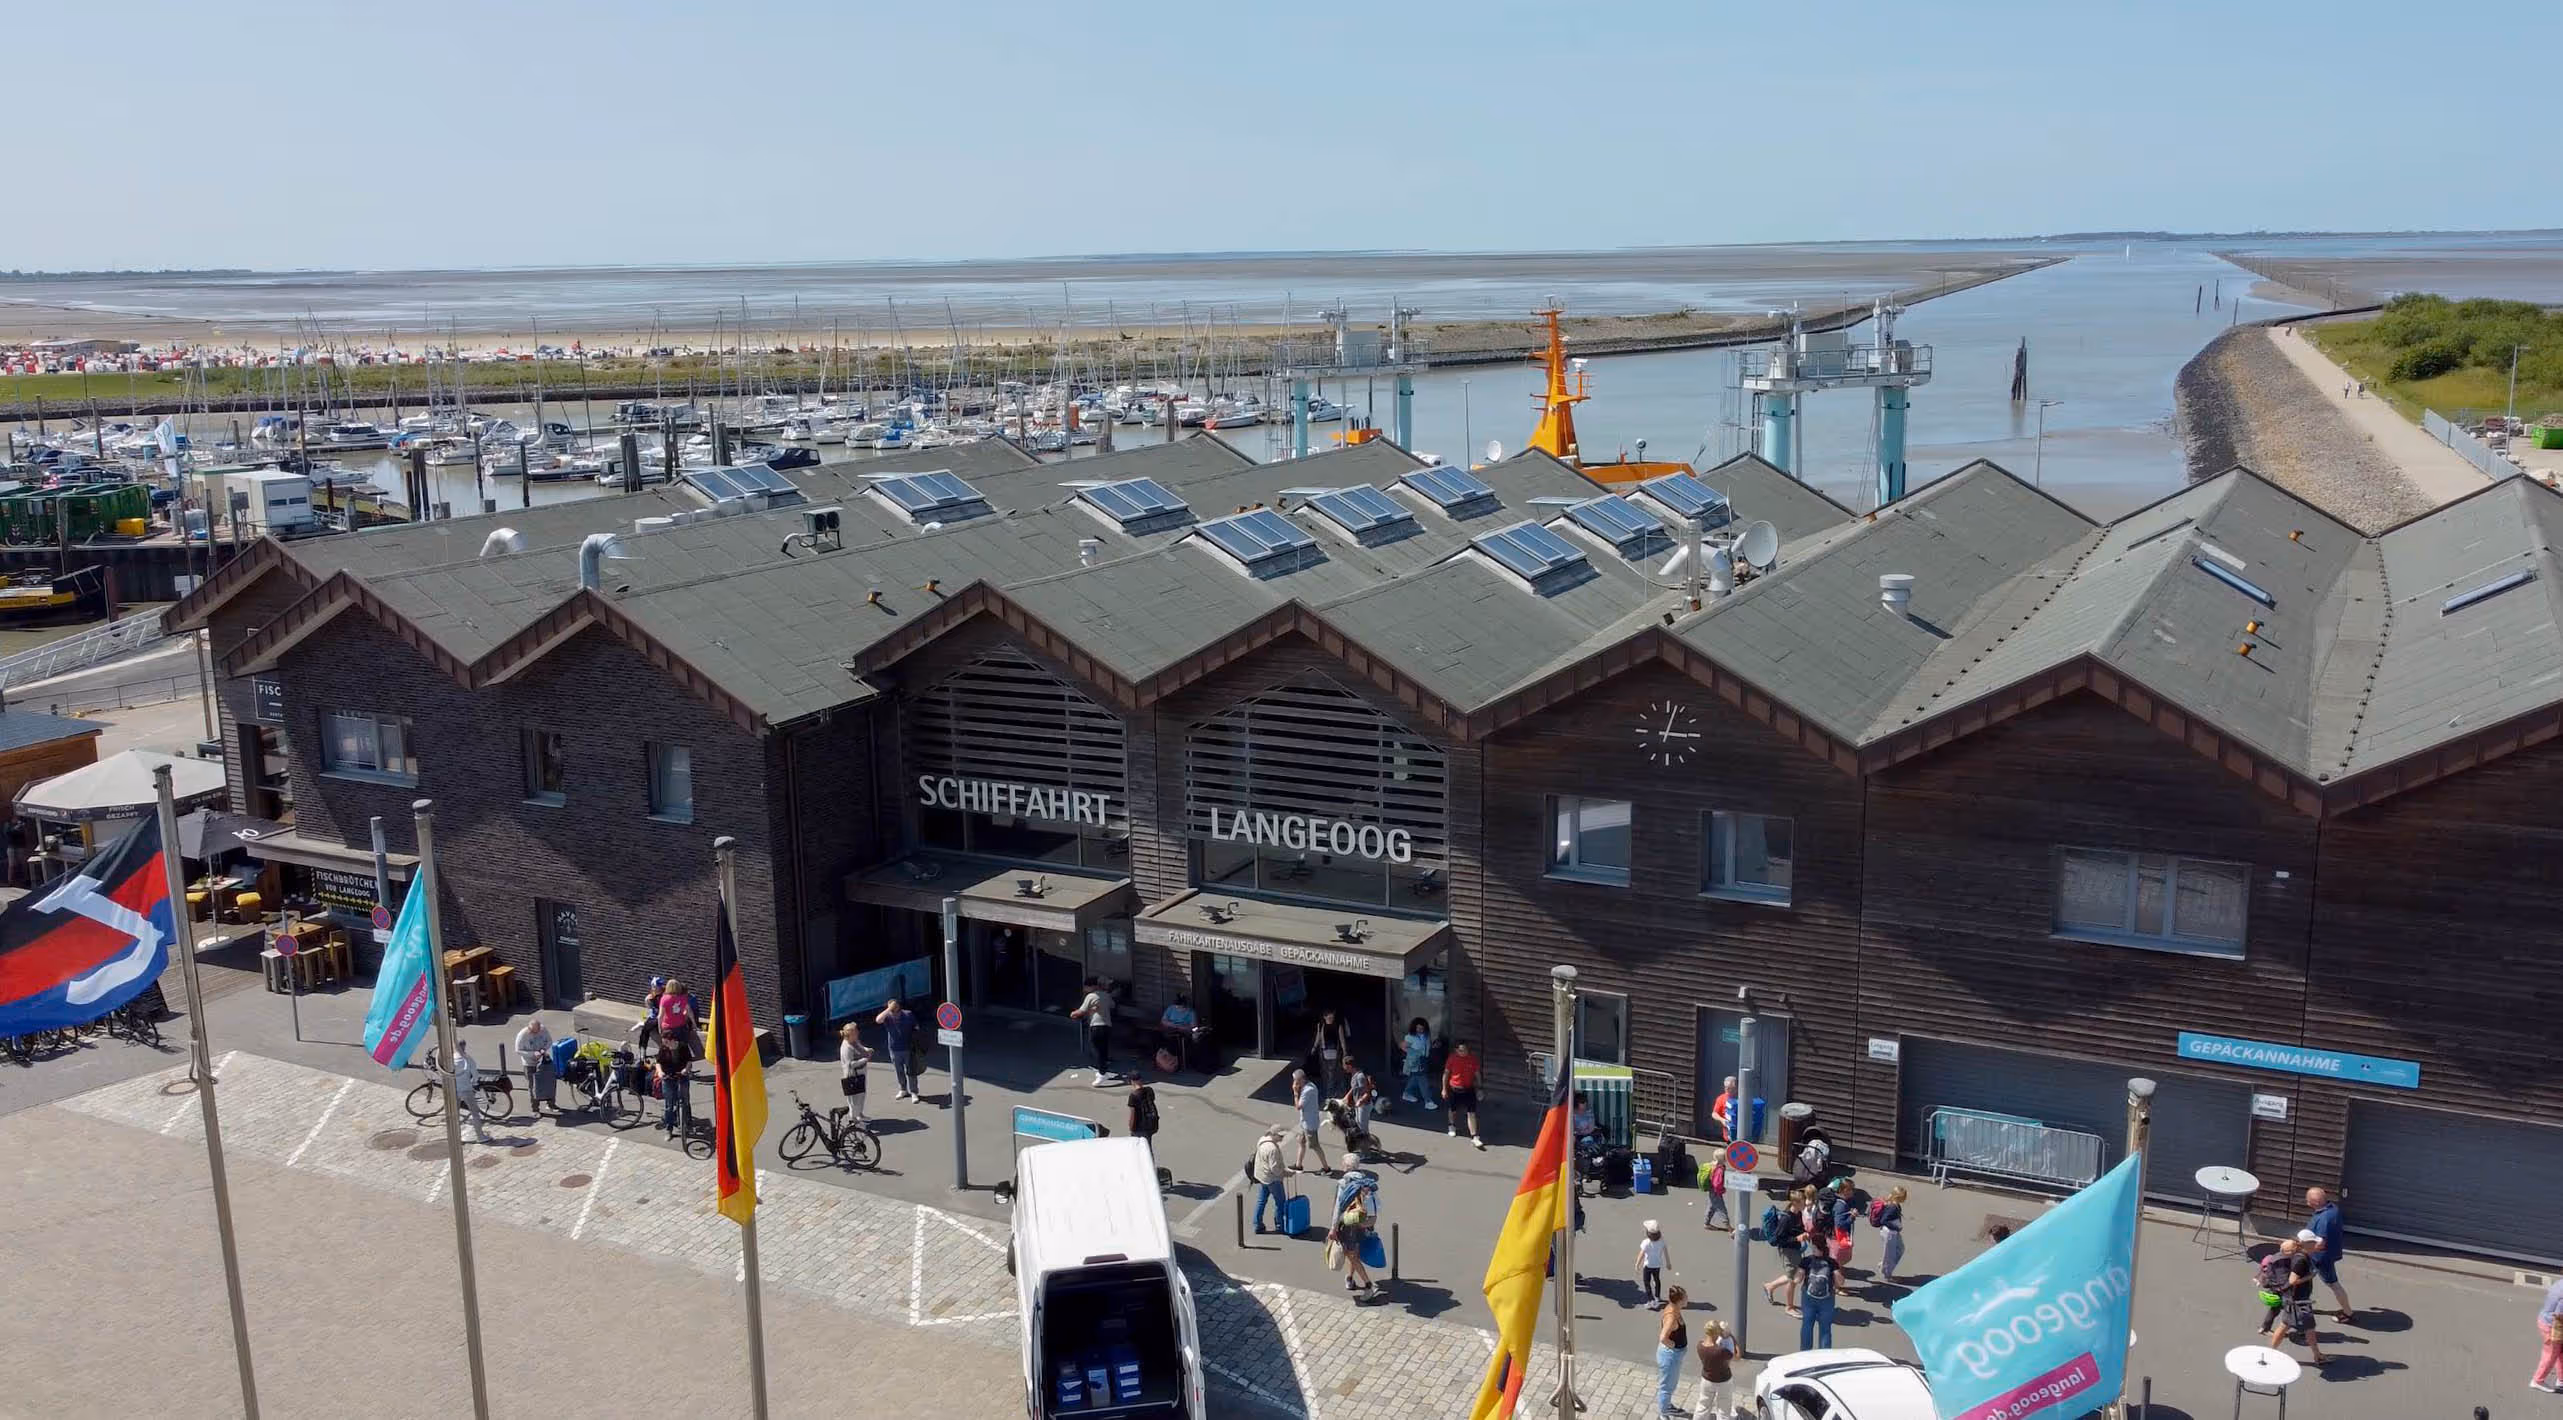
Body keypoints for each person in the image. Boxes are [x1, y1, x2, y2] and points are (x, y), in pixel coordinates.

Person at [2266, 1230, 2332, 1365]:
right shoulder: (2301, 1259)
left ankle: (2317, 1355)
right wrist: (2310, 1276)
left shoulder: (2302, 1255)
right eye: (2313, 1241)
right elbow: (2292, 1280)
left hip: (2296, 1299)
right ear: (2305, 1243)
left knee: (2293, 1326)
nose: (2316, 1243)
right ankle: (2317, 1356)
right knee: (2304, 1327)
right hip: (2298, 1301)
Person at [1332, 1156, 1380, 1300]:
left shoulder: (1343, 1183)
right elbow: (1377, 1204)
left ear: (1346, 1166)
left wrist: (1333, 1228)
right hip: (1364, 1222)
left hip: (1348, 1224)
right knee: (1354, 1252)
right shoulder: (1367, 1182)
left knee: (1350, 1253)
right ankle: (1350, 1278)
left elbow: (1337, 1209)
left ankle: (1368, 1286)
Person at [2304, 1187, 2352, 1319]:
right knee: (2305, 1279)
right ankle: (2304, 1303)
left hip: (2320, 1258)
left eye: (2308, 1201)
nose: (2307, 1203)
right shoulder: (2332, 1209)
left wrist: (2302, 1249)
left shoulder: (2324, 1219)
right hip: (2326, 1255)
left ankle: (2348, 1313)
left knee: (2333, 1283)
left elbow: (2320, 1244)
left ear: (2316, 1202)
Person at [1760, 1188, 1808, 1313]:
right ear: (1796, 1203)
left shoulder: (1798, 1214)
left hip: (1795, 1249)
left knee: (1794, 1275)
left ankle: (1770, 1286)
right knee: (1792, 1279)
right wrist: (1796, 1238)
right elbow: (1778, 1240)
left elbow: (1797, 1229)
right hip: (1788, 1251)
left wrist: (1803, 1234)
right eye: (1804, 1201)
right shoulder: (1786, 1219)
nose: (1806, 1203)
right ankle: (1789, 1307)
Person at [1070, 976, 1117, 1085]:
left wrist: (1072, 1014)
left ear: (1093, 986)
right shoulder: (1106, 995)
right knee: (1103, 1049)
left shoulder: (1091, 996)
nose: (1085, 989)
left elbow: (1081, 1011)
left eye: (1086, 987)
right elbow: (1112, 1006)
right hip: (1107, 1026)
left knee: (1097, 1049)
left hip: (1096, 1026)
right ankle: (1103, 1070)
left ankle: (1102, 1073)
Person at [1797, 1232, 1840, 1350]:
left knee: (1807, 1325)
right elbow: (1840, 1282)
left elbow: (1797, 1279)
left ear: (1813, 1246)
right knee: (1825, 1329)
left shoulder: (1806, 1261)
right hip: (1827, 1299)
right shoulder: (1832, 1262)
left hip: (1808, 1297)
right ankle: (1824, 1356)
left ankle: (1805, 1353)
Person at [1653, 1284, 1690, 1419]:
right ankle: (1664, 1412)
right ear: (1680, 1300)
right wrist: (1673, 1345)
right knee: (1666, 1387)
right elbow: (1663, 1337)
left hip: (1673, 1355)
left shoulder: (1673, 1308)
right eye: (1686, 1297)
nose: (1688, 1299)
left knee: (1670, 1384)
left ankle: (1666, 1407)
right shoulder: (1672, 1317)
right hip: (1670, 1356)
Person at [875, 998, 921, 1101]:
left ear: (899, 1006)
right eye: (891, 1008)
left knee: (911, 1071)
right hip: (894, 1049)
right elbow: (878, 1020)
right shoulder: (887, 1017)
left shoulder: (908, 1014)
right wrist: (888, 1009)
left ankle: (914, 1092)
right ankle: (903, 1089)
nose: (893, 1010)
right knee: (899, 1071)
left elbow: (916, 1027)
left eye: (894, 1007)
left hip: (909, 1048)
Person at [1694, 1317, 1738, 1420]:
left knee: (1703, 1405)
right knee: (1724, 1408)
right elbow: (1736, 1356)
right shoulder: (1721, 1351)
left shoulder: (1699, 1345)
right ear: (1716, 1334)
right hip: (1723, 1380)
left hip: (1707, 1379)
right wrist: (1733, 1339)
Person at [1444, 1040, 1485, 1149]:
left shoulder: (1472, 1059)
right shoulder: (1452, 1058)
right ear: (1456, 1050)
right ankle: (1451, 1125)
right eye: (1461, 1050)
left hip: (1469, 1089)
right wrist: (1444, 1089)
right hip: (1454, 1088)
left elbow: (1477, 1073)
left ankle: (1474, 1136)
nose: (1464, 1052)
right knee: (1453, 1110)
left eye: (1465, 1050)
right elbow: (1446, 1073)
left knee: (1471, 1113)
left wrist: (1480, 1087)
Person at [451, 1038, 493, 1143]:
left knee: (454, 1114)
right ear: (464, 1046)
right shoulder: (468, 1059)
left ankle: (455, 1137)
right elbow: (475, 1076)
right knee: (475, 1113)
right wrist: (474, 1084)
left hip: (453, 1090)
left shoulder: (450, 1059)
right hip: (466, 1088)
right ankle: (480, 1136)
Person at [1250, 1126, 1290, 1234]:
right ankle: (1280, 1225)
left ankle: (1257, 1224)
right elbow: (1275, 1169)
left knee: (1261, 1201)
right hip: (1273, 1179)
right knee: (1280, 1202)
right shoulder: (1272, 1149)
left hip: (1262, 1176)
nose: (1282, 1138)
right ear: (1273, 1134)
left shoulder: (1262, 1140)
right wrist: (1287, 1173)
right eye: (1280, 1136)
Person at [655, 1025, 692, 1137]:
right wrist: (660, 1072)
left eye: (666, 1042)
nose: (665, 1044)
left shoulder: (683, 1047)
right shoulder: (663, 1049)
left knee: (685, 1100)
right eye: (664, 1042)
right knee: (669, 1105)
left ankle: (687, 1123)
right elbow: (658, 1063)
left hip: (681, 1076)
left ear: (672, 1040)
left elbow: (689, 1061)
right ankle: (669, 1128)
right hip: (668, 1077)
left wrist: (686, 1069)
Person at [514, 1017, 555, 1115]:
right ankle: (535, 1109)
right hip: (530, 1064)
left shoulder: (543, 1029)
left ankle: (551, 1104)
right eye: (533, 1032)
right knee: (533, 1086)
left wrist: (543, 1049)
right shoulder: (522, 1035)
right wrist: (533, 1054)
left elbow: (549, 1040)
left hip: (543, 1060)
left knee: (549, 1082)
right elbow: (518, 1050)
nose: (535, 1034)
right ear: (529, 1028)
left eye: (537, 1031)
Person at [1291, 1068, 1327, 1174]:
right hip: (1305, 1121)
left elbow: (1298, 1106)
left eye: (1296, 1080)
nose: (1295, 1083)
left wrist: (1295, 1093)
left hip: (1309, 1123)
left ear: (1302, 1079)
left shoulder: (1308, 1090)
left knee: (1314, 1146)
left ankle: (1326, 1168)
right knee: (1301, 1141)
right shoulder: (1308, 1086)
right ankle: (1298, 1165)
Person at [2532, 1272, 2563, 1392]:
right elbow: (2559, 1314)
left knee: (2560, 1351)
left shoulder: (2559, 1283)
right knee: (2550, 1354)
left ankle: (2561, 1380)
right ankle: (2537, 1380)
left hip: (2546, 1320)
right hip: (2552, 1325)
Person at [1398, 1018, 1438, 1111]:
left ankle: (1407, 1093)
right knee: (1423, 1080)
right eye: (1418, 1028)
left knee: (1415, 1078)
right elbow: (1402, 1046)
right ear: (1414, 1028)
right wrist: (1413, 1053)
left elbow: (1426, 1046)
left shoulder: (1426, 1035)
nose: (1420, 1030)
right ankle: (1428, 1101)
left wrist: (1433, 1046)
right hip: (1416, 1060)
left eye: (1422, 1028)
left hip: (1424, 1059)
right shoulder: (1410, 1037)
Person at [1311, 1009, 1352, 1097]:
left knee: (1334, 1073)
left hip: (1335, 1053)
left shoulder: (1338, 1026)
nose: (1331, 1019)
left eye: (1332, 1017)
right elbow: (1318, 1038)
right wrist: (1314, 1047)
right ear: (1324, 1017)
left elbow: (1342, 1040)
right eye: (1329, 1017)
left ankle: (1333, 1093)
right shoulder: (1321, 1025)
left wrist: (1345, 1052)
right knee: (1327, 1074)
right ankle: (1329, 1092)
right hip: (1324, 1053)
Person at [837, 1022, 871, 1126]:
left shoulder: (854, 1041)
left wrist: (867, 1049)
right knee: (854, 1100)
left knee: (861, 1095)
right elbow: (850, 1064)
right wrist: (865, 1059)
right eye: (855, 1031)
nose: (858, 1032)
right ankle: (854, 1121)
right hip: (852, 1076)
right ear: (850, 1034)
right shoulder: (846, 1047)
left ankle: (860, 1115)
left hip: (861, 1073)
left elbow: (861, 1047)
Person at [1874, 1185, 1909, 1282]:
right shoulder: (1892, 1207)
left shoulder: (1894, 1204)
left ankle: (1885, 1265)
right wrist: (1896, 1226)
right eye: (1904, 1197)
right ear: (1898, 1197)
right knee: (1890, 1254)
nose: (1905, 1199)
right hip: (1889, 1232)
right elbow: (1884, 1220)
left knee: (1899, 1249)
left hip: (1893, 1232)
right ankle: (1887, 1274)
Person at [1157, 995, 1200, 1073]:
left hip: (1183, 1031)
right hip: (1171, 1028)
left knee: (1177, 1041)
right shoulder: (1171, 1008)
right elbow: (1163, 1021)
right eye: (1176, 1006)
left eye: (1179, 1007)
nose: (1177, 1008)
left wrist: (1183, 1027)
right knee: (1160, 1035)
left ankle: (1177, 1061)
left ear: (1184, 1006)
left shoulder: (1191, 1012)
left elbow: (1194, 1027)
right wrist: (1174, 1025)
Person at [1637, 1219, 1671, 1310]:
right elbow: (1665, 1252)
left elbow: (1641, 1254)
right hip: (1657, 1265)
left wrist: (1637, 1264)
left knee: (1647, 1282)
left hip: (1648, 1266)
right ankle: (1657, 1297)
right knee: (1657, 1280)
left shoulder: (1646, 1242)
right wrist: (1668, 1263)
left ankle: (1651, 1300)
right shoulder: (1662, 1241)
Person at [1127, 1064, 1160, 1158]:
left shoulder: (1133, 1096)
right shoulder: (1150, 1090)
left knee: (1137, 1148)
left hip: (1139, 1127)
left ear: (1132, 1081)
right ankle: (1151, 1164)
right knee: (1148, 1146)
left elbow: (1133, 1114)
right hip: (1151, 1124)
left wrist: (1131, 1126)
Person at [1345, 1058, 1378, 1137]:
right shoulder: (1354, 1075)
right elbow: (1353, 1087)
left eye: (1344, 1065)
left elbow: (1367, 1092)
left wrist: (1360, 1101)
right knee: (1359, 1124)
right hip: (1359, 1104)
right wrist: (1346, 1097)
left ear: (1349, 1066)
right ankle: (1365, 1143)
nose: (1343, 1068)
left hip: (1364, 1105)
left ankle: (1368, 1144)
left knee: (1363, 1127)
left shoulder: (1360, 1076)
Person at [1702, 1156, 1730, 1231]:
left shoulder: (1712, 1164)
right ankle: (1730, 1229)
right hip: (1716, 1192)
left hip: (1711, 1190)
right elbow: (1717, 1184)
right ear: (1723, 1159)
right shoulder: (1720, 1169)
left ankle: (1706, 1224)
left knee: (1711, 1207)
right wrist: (1722, 1190)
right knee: (1722, 1210)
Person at [1710, 1075, 1738, 1142]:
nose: (1727, 1090)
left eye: (1730, 1088)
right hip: (1728, 1134)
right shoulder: (1721, 1098)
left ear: (1736, 1088)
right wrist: (1722, 1120)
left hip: (1742, 1133)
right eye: (1726, 1087)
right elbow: (1714, 1113)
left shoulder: (1741, 1097)